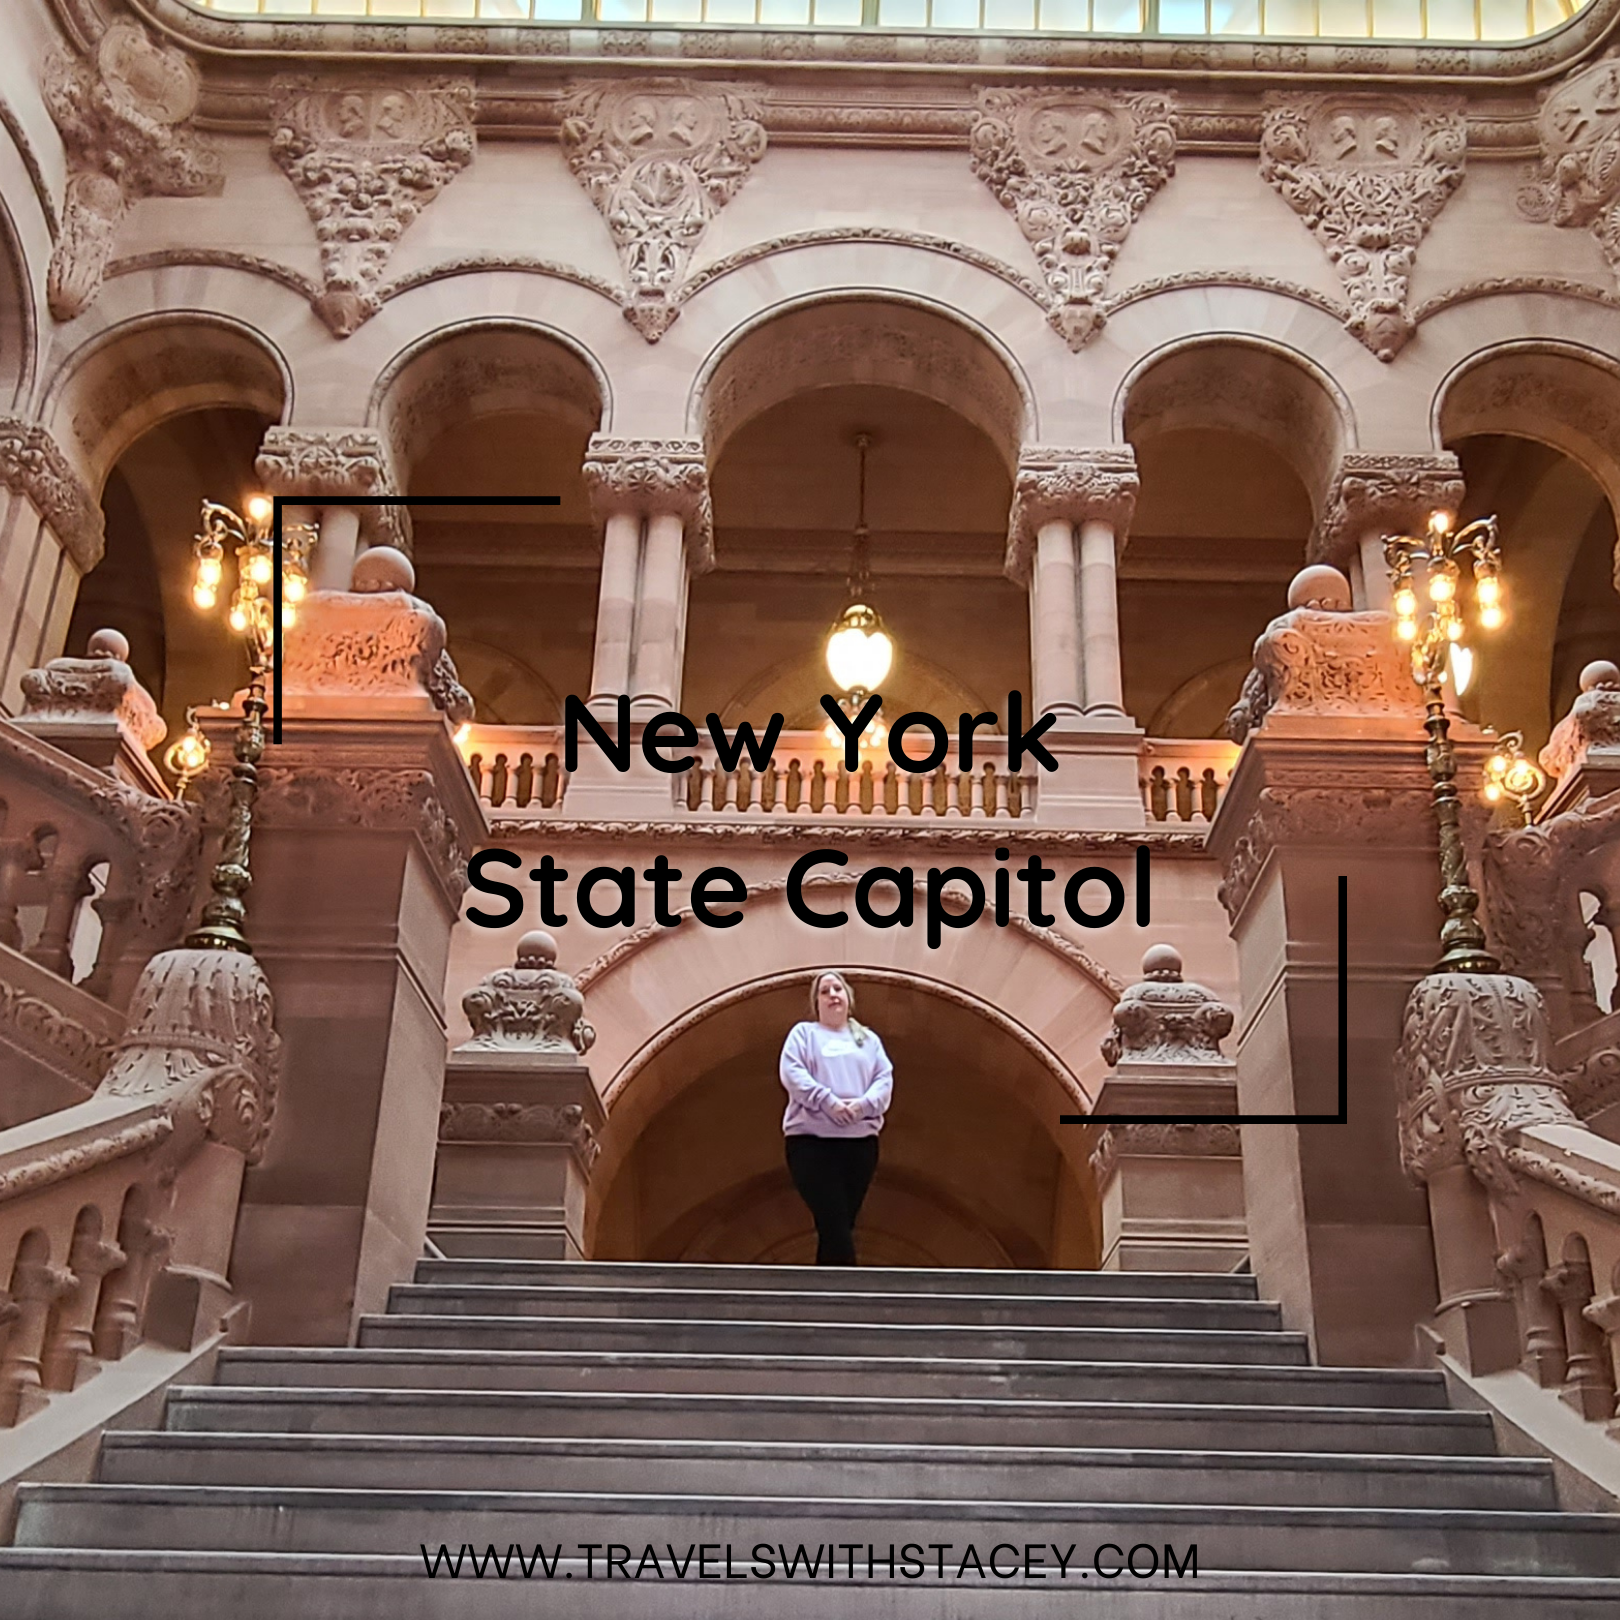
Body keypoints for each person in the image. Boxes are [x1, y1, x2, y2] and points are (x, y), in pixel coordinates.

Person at [779, 971, 894, 1266]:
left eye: (837, 989)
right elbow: (793, 1072)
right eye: (824, 991)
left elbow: (884, 1078)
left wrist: (862, 1106)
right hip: (811, 1142)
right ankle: (851, 1291)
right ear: (816, 1002)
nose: (832, 994)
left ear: (848, 998)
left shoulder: (867, 1040)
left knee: (837, 1224)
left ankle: (826, 1293)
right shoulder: (804, 1034)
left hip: (859, 1144)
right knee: (834, 1220)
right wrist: (827, 1101)